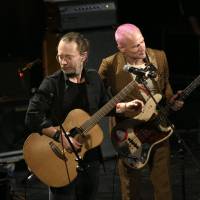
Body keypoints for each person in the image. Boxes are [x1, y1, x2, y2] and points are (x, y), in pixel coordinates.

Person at [24, 31, 143, 200]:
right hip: (60, 158)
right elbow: (32, 116)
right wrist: (60, 136)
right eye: (59, 57)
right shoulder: (51, 84)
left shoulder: (93, 78)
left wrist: (125, 106)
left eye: (68, 57)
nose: (63, 62)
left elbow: (105, 105)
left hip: (90, 156)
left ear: (83, 56)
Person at [98, 23, 184, 200]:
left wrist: (172, 101)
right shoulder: (110, 65)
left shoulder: (159, 57)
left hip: (159, 127)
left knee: (163, 182)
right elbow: (96, 101)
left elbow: (165, 87)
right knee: (130, 185)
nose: (142, 48)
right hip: (128, 133)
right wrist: (121, 107)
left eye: (142, 42)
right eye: (136, 46)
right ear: (121, 48)